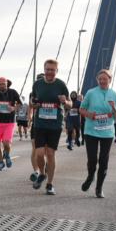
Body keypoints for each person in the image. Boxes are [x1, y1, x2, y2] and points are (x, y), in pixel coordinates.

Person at [29, 59, 71, 195]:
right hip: (40, 124)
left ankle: (50, 184)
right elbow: (33, 102)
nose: (50, 72)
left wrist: (65, 102)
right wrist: (34, 104)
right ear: (44, 69)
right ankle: (42, 173)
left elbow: (69, 104)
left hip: (55, 125)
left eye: (52, 70)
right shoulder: (37, 84)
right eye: (48, 69)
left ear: (56, 71)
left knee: (51, 154)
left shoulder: (61, 85)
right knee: (40, 153)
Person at [79, 69, 116, 198]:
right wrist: (88, 114)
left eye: (105, 79)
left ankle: (99, 188)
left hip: (107, 132)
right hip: (91, 131)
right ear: (97, 80)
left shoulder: (114, 95)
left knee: (104, 161)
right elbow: (81, 109)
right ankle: (90, 176)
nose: (102, 81)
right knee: (92, 160)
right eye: (100, 79)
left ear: (110, 80)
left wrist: (113, 107)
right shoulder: (91, 93)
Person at [0, 77, 21, 171]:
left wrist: (13, 108)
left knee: (6, 143)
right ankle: (1, 162)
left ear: (7, 84)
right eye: (0, 84)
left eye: (3, 84)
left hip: (9, 122)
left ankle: (7, 155)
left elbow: (19, 104)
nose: (2, 86)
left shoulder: (13, 92)